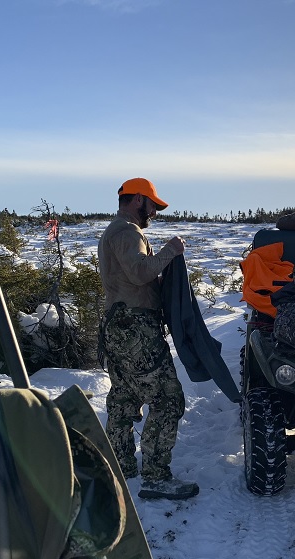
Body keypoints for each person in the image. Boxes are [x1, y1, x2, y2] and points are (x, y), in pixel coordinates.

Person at [97, 177, 198, 500]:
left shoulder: (117, 230)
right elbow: (140, 273)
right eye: (152, 204)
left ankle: (120, 464)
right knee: (168, 400)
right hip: (135, 330)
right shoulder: (127, 232)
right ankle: (155, 476)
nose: (154, 211)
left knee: (125, 398)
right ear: (137, 199)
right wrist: (171, 249)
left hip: (119, 328)